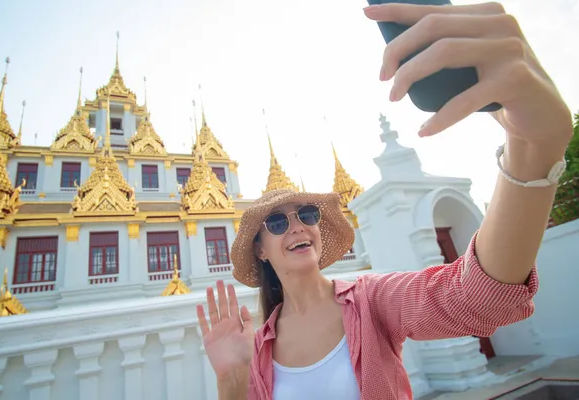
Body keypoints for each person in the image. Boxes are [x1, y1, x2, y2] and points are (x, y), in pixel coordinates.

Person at [195, 2, 573, 399]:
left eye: (305, 214)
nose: (297, 226)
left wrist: (533, 149)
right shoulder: (257, 348)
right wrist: (232, 379)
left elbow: (476, 298)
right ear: (261, 249)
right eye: (276, 223)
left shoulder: (370, 301)